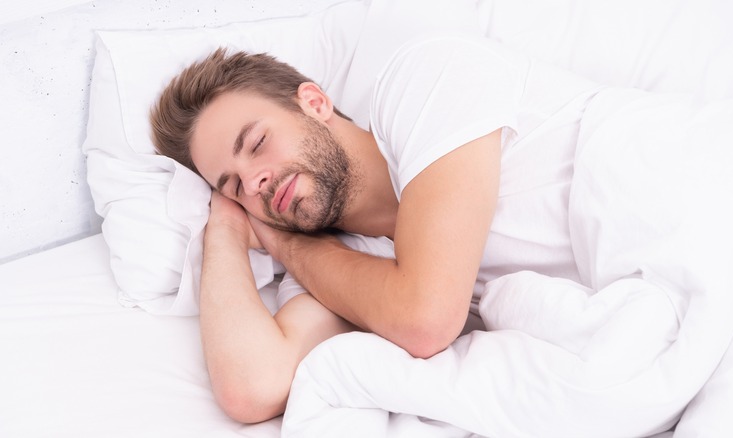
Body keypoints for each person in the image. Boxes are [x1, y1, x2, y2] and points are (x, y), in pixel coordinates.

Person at [149, 34, 609, 423]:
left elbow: (424, 318)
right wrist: (225, 227)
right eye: (234, 188)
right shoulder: (338, 264)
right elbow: (251, 386)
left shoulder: (423, 82)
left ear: (314, 103)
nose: (254, 183)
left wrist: (286, 243)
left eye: (257, 143)